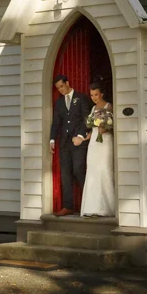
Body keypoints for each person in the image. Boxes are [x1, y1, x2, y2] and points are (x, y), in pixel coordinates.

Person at [49, 74, 92, 216]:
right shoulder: (59, 102)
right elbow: (56, 122)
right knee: (66, 175)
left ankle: (89, 204)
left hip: (79, 142)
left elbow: (87, 119)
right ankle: (68, 206)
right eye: (58, 88)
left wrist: (80, 136)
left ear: (67, 83)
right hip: (64, 143)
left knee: (79, 170)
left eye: (61, 86)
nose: (60, 90)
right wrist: (52, 139)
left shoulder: (81, 98)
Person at [80, 83, 116, 218]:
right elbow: (91, 127)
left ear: (101, 94)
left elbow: (111, 125)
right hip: (94, 141)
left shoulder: (108, 106)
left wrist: (105, 128)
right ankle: (93, 207)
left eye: (96, 94)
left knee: (104, 170)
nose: (94, 97)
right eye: (91, 95)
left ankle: (107, 207)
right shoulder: (93, 108)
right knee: (93, 171)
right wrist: (85, 137)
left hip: (105, 141)